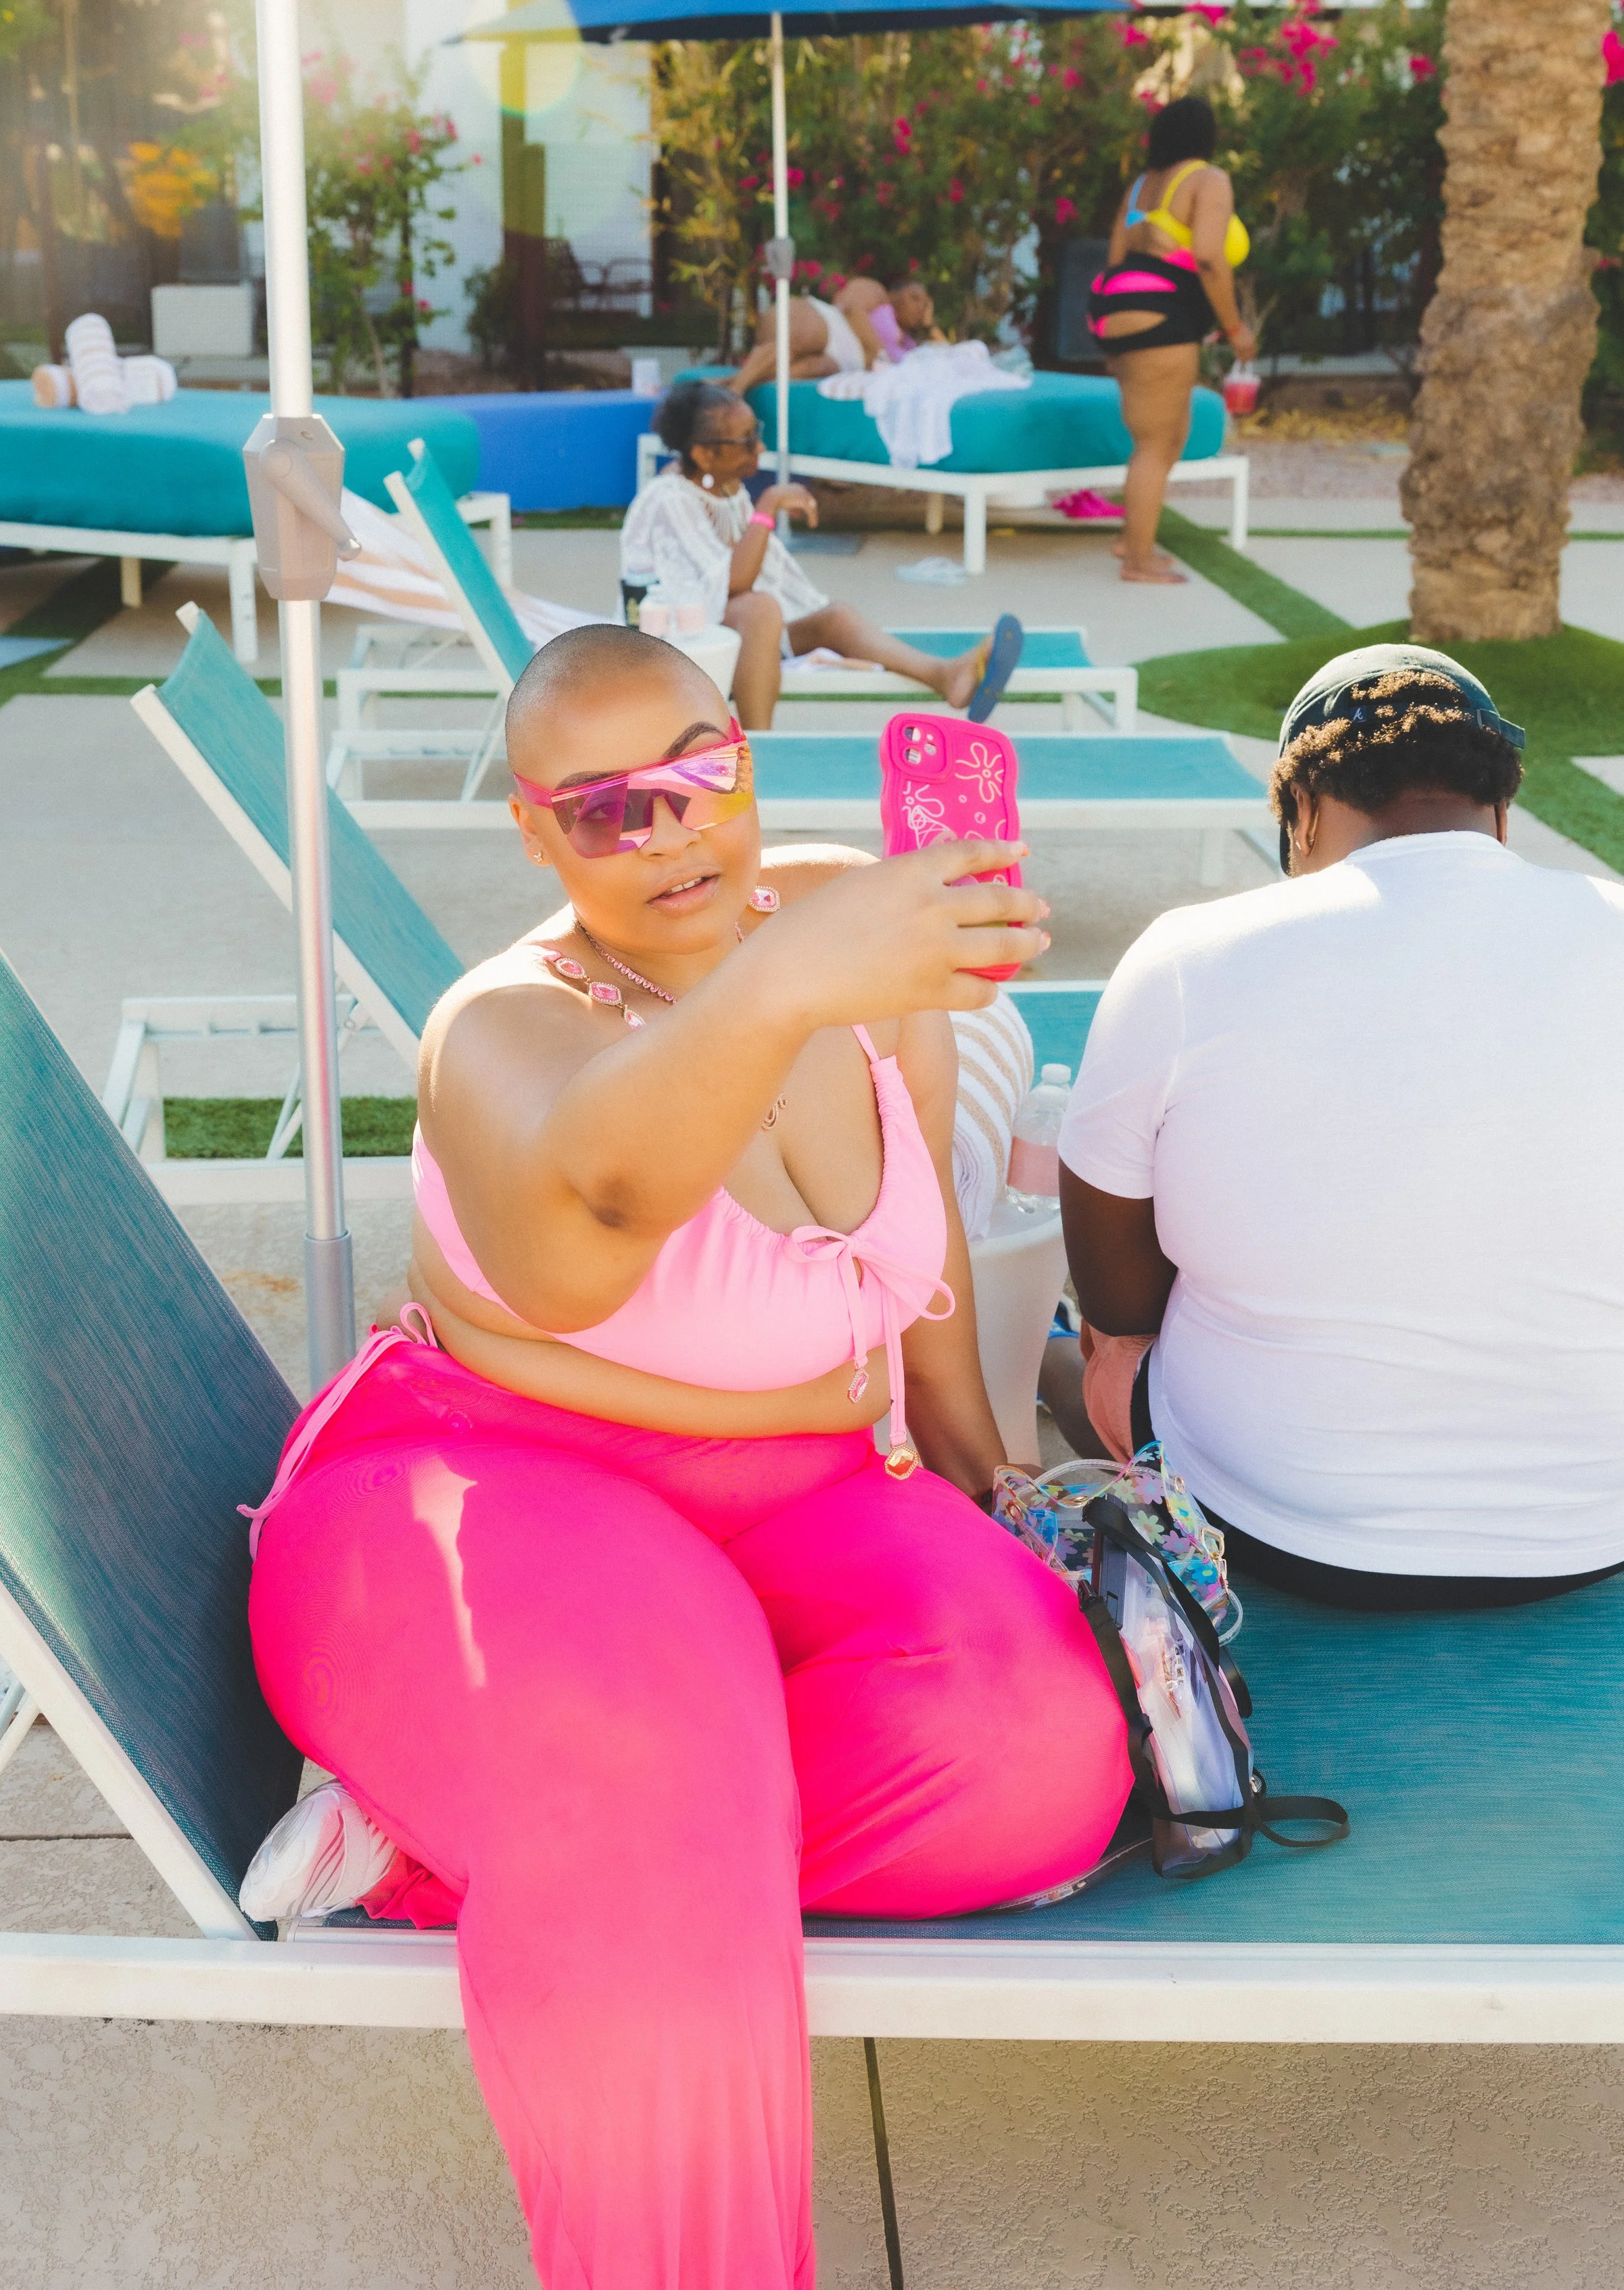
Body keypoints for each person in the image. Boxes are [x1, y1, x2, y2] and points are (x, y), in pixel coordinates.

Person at [247, 623, 1132, 2290]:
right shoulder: (500, 1030)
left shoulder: (842, 927)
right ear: (534, 833)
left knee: (1036, 1759)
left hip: (808, 1496)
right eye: (603, 809)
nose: (666, 830)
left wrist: (993, 1479)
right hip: (491, 1496)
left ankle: (458, 1840)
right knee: (657, 1757)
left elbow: (925, 1260)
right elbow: (598, 1198)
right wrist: (781, 984)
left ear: (745, 751)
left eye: (696, 771)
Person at [1055, 642, 1624, 1611]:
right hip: (1595, 1527)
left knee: (1090, 1348)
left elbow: (1118, 1300)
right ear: (1500, 810)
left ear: (1303, 813)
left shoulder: (1190, 955)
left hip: (1271, 1522)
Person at [621, 375, 1024, 729]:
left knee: (835, 618)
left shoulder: (727, 489)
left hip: (725, 629)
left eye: (756, 432)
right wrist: (768, 506)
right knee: (759, 609)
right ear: (703, 454)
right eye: (746, 441)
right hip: (668, 638)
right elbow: (733, 583)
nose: (759, 447)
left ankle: (946, 676)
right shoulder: (668, 499)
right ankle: (761, 747)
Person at [1088, 94, 1256, 586]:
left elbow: (1116, 258)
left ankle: (1132, 539)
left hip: (1116, 308)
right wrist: (1235, 329)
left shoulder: (1141, 187)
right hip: (1160, 316)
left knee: (1168, 436)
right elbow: (1208, 256)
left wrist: (1113, 343)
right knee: (1155, 443)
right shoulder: (1209, 180)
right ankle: (1138, 561)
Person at [729, 272, 943, 396]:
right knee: (805, 337)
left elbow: (943, 355)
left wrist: (930, 324)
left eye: (925, 305)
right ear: (895, 293)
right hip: (827, 325)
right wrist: (879, 354)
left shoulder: (908, 343)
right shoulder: (876, 292)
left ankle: (735, 381)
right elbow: (850, 307)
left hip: (841, 362)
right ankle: (735, 391)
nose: (919, 307)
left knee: (819, 368)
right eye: (914, 297)